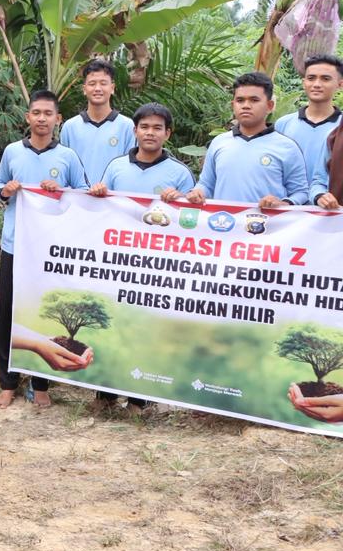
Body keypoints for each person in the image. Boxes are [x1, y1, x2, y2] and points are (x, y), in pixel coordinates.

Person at [87, 102, 195, 413]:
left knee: (148, 329)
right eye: (144, 127)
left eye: (157, 128)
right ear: (134, 131)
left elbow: (193, 220)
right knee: (112, 324)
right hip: (119, 262)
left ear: (168, 133)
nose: (150, 133)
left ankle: (139, 400)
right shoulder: (116, 167)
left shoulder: (179, 173)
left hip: (158, 266)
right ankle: (105, 394)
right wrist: (98, 193)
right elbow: (101, 210)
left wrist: (182, 201)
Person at [0, 90, 88, 409]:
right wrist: (6, 191)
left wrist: (61, 191)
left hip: (49, 249)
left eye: (48, 113)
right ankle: (7, 383)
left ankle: (40, 384)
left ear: (58, 119)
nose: (42, 118)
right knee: (9, 313)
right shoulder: (12, 151)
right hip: (15, 244)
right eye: (37, 113)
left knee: (43, 314)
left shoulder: (68, 157)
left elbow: (82, 195)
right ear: (28, 117)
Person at [186, 72, 309, 207]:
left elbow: (301, 192)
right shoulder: (219, 142)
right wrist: (197, 192)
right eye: (240, 100)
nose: (246, 105)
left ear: (269, 106)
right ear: (233, 105)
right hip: (223, 219)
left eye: (254, 100)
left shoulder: (287, 147)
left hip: (267, 220)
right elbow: (206, 184)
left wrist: (283, 203)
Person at [274, 55, 342, 207]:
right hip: (287, 208)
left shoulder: (341, 127)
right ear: (304, 82)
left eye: (325, 79)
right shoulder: (283, 124)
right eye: (311, 78)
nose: (317, 84)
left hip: (331, 209)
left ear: (340, 84)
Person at [60, 58, 135, 189]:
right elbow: (64, 169)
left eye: (103, 83)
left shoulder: (127, 126)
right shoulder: (70, 127)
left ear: (112, 88)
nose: (98, 88)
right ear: (84, 89)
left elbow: (130, 169)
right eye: (92, 83)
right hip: (78, 198)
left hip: (113, 198)